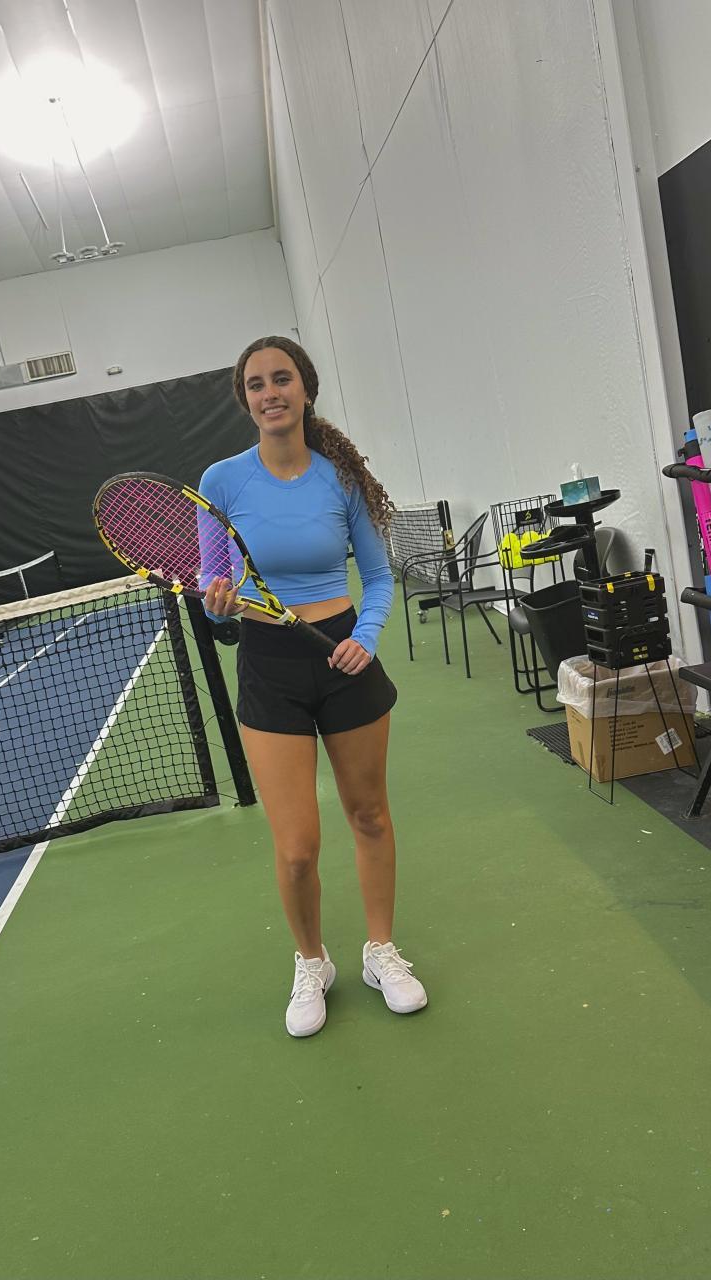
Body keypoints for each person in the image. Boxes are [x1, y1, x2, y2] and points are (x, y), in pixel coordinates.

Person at [199, 336, 428, 1038]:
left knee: (371, 816)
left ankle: (381, 951)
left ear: (305, 389)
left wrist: (367, 637)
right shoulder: (221, 483)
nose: (270, 393)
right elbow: (214, 593)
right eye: (256, 384)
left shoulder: (341, 479)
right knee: (297, 847)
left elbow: (380, 577)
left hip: (344, 655)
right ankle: (312, 962)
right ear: (244, 400)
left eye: (282, 379)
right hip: (269, 663)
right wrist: (219, 605)